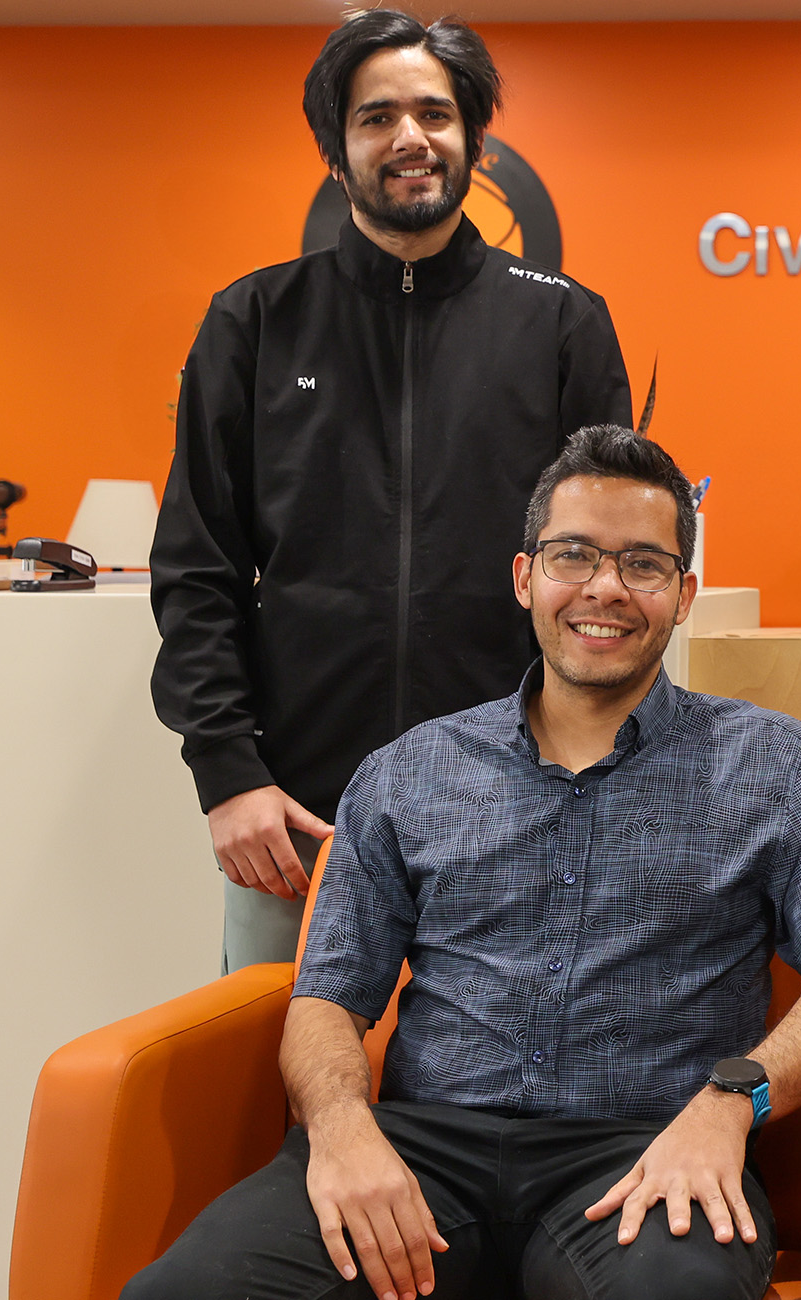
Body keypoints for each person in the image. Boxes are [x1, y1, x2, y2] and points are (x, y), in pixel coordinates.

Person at [126, 426, 801, 1300]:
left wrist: (734, 1103)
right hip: (421, 1151)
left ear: (684, 595)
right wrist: (343, 1126)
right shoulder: (407, 772)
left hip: (646, 1152)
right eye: (574, 554)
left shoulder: (779, 765)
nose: (606, 589)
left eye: (644, 565)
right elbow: (327, 1001)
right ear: (525, 577)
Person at [152, 8, 635, 972]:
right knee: (285, 1103)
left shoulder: (562, 326)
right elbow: (198, 571)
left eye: (434, 113)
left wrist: (592, 775)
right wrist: (227, 775)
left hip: (522, 813)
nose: (410, 137)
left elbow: (608, 584)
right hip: (299, 825)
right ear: (338, 152)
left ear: (473, 140)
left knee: (500, 1106)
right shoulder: (253, 323)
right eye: (376, 118)